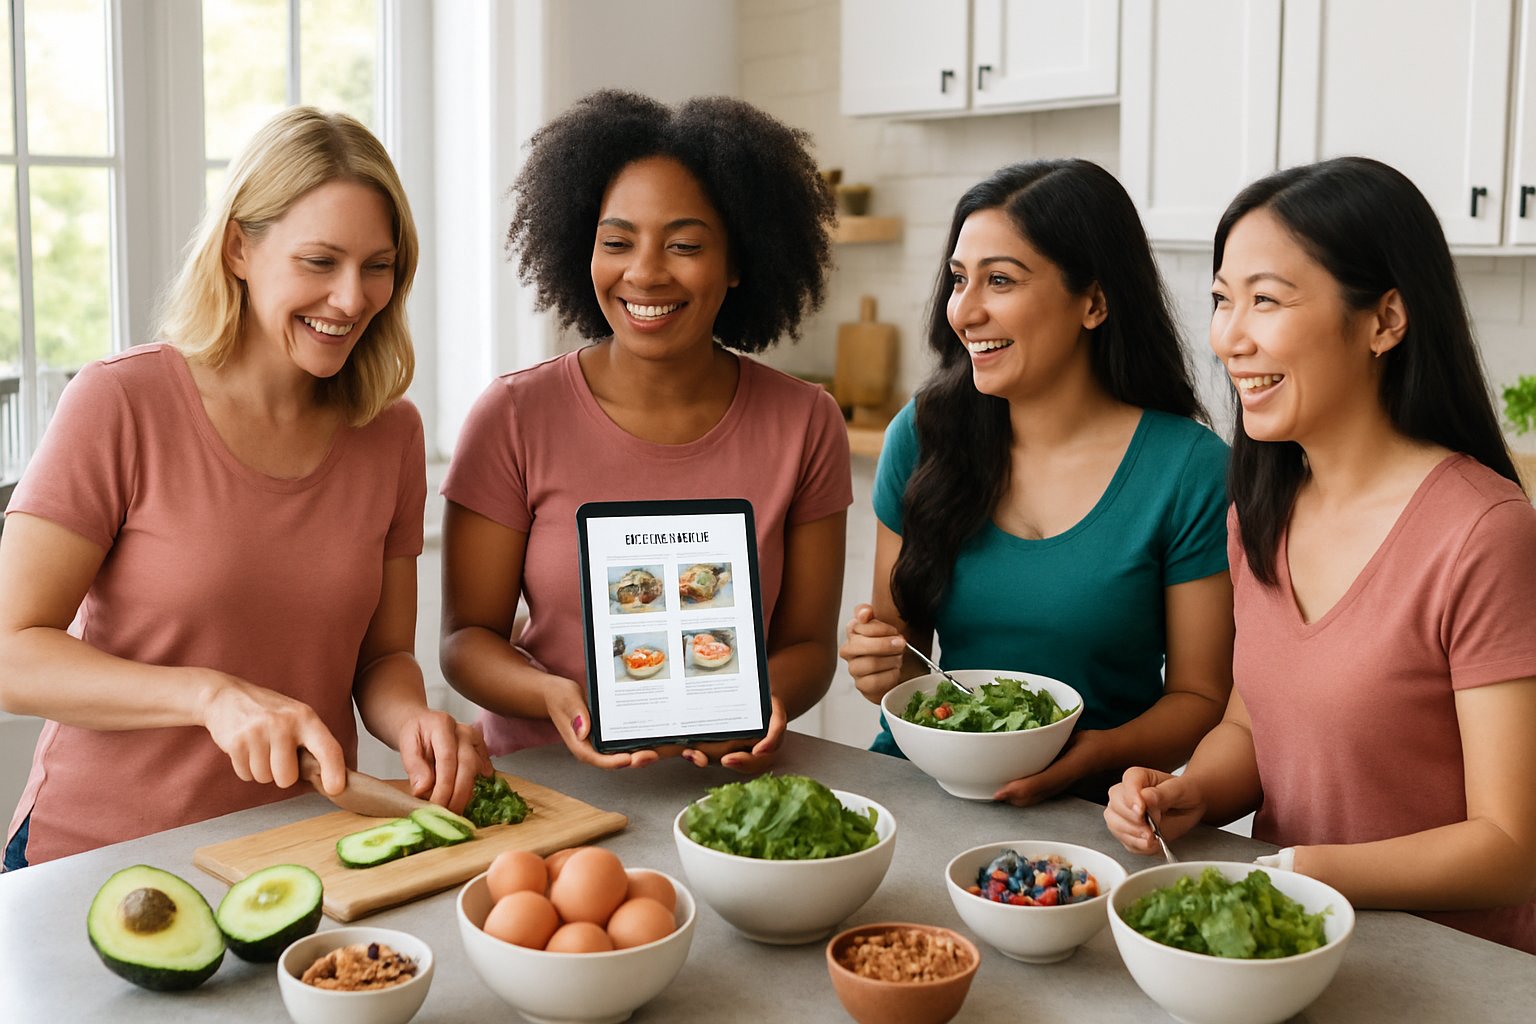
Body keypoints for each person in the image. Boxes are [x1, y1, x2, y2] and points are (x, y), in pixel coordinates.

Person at [0, 107, 488, 870]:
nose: (354, 298)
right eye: (319, 262)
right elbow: (11, 654)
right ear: (239, 247)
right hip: (99, 857)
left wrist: (414, 721)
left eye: (377, 266)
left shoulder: (391, 435)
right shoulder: (120, 403)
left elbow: (381, 657)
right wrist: (207, 695)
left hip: (302, 854)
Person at [1103, 157, 1536, 953]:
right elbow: (1252, 722)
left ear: (1385, 320)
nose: (1230, 337)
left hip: (1451, 975)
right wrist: (1191, 790)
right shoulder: (1260, 512)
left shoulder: (1484, 532)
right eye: (1222, 301)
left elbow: (1511, 850)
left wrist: (1300, 870)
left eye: (1266, 299)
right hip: (1286, 950)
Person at [439, 90, 850, 772]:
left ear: (738, 261)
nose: (645, 272)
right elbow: (464, 639)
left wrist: (753, 699)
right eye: (617, 242)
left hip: (728, 790)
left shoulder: (805, 422)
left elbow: (809, 645)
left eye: (684, 244)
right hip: (546, 788)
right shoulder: (513, 416)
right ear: (584, 249)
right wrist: (554, 697)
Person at [839, 159, 1234, 806]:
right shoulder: (922, 435)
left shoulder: (1188, 470)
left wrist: (1090, 755)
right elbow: (905, 663)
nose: (964, 312)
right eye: (959, 280)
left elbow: (1199, 699)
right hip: (920, 791)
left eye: (1000, 281)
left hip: (1095, 815)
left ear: (1095, 301)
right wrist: (877, 663)